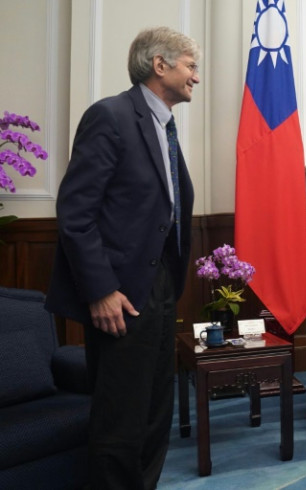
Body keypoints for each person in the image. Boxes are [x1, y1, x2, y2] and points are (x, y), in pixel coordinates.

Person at [45, 26, 199, 489]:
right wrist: (100, 291)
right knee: (120, 418)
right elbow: (75, 214)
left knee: (156, 408)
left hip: (162, 287)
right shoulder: (110, 116)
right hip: (119, 292)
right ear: (160, 65)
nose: (196, 77)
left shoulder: (165, 128)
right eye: (191, 66)